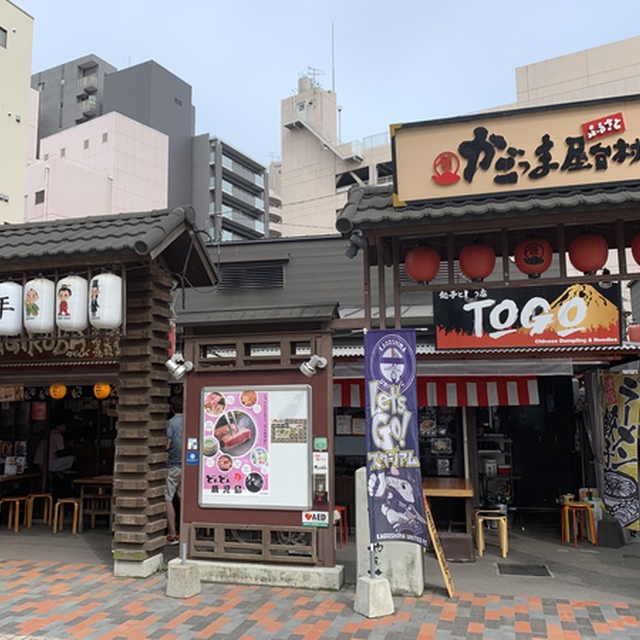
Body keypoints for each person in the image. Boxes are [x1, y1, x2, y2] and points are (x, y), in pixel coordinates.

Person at [166, 395, 183, 545]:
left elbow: (167, 444)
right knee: (183, 499)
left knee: (168, 498)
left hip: (172, 465)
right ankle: (185, 532)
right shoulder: (191, 421)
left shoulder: (170, 424)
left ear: (171, 409)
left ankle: (172, 534)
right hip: (188, 466)